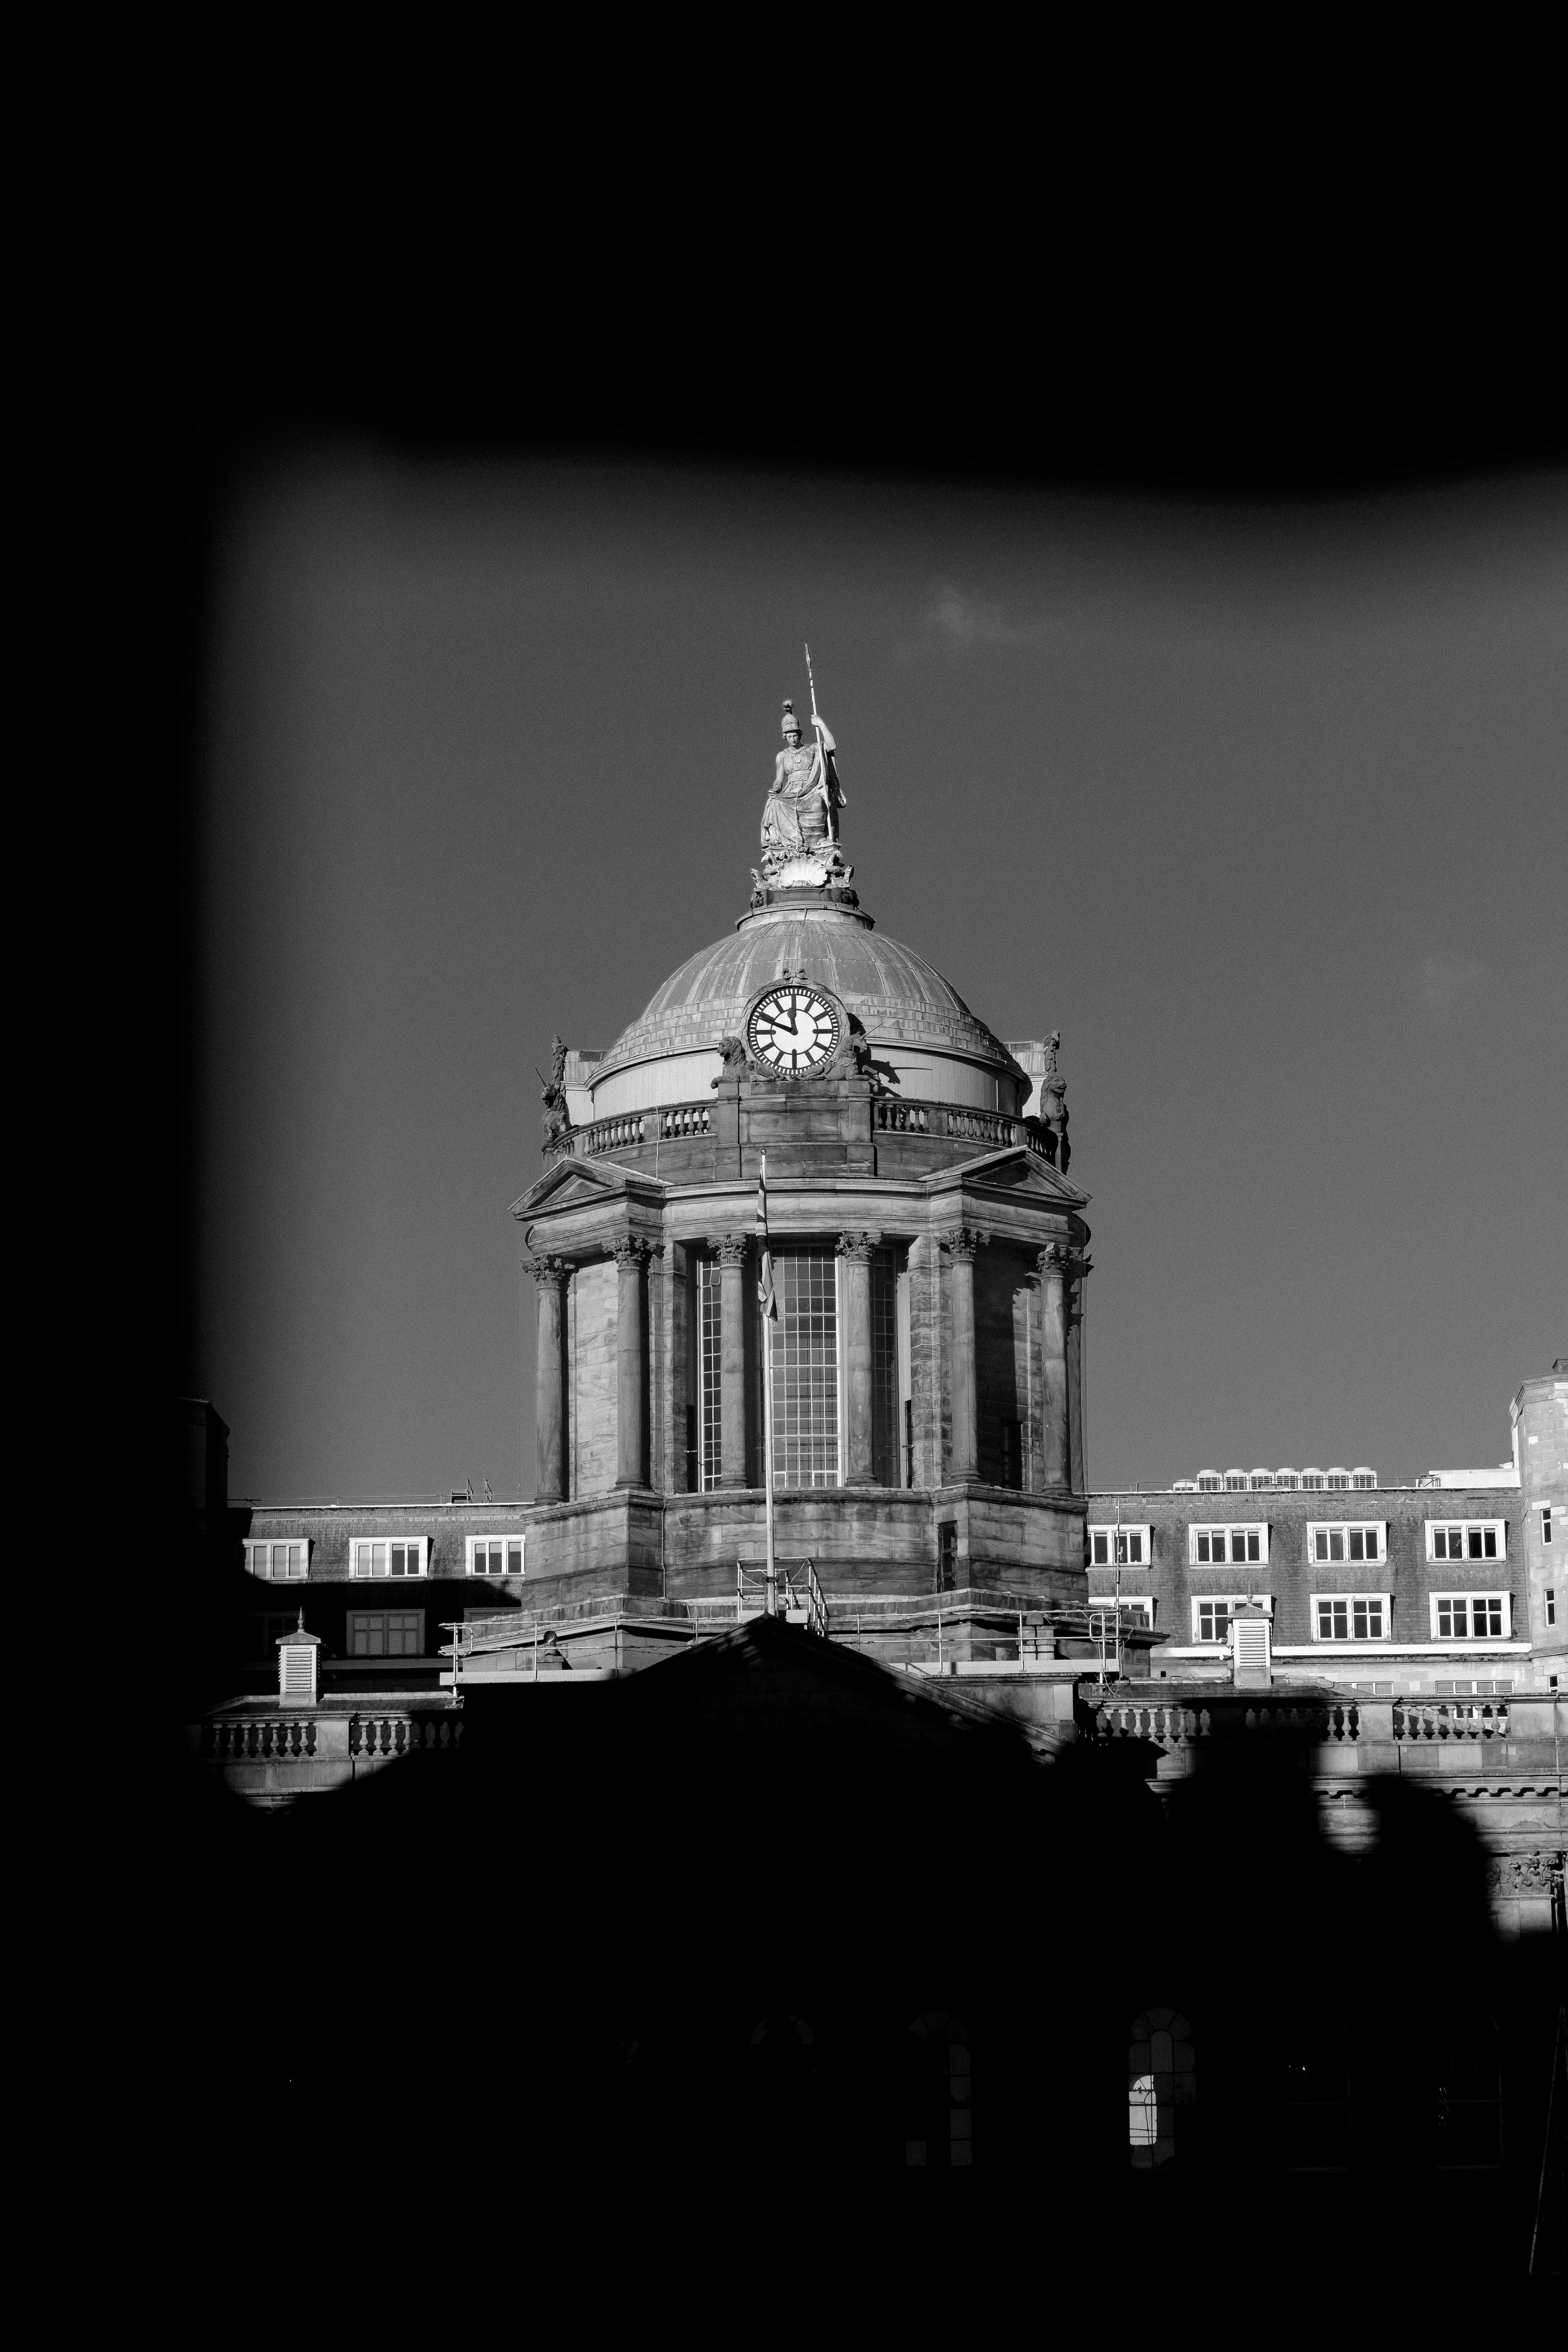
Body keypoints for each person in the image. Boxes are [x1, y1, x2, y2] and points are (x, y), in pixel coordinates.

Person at [761, 699, 844, 868]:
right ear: (785, 737)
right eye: (789, 736)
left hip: (812, 788)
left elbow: (831, 746)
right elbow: (779, 781)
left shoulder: (813, 749)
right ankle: (790, 842)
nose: (792, 739)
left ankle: (818, 840)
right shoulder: (782, 756)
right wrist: (775, 790)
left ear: (800, 734)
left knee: (818, 803)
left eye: (795, 735)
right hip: (791, 791)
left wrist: (820, 724)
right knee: (775, 803)